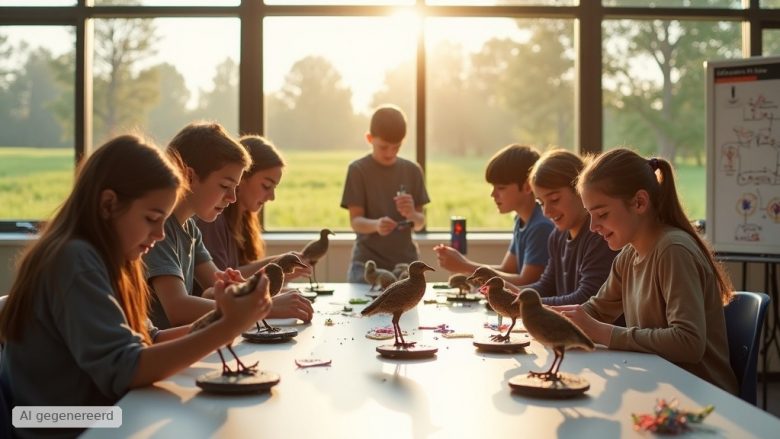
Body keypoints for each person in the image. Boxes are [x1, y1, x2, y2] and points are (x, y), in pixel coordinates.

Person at [0, 136, 272, 438]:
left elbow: (150, 339)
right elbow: (126, 369)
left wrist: (222, 316)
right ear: (109, 204)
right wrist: (226, 327)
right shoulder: (74, 260)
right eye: (152, 218)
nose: (159, 234)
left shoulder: (110, 259)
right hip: (58, 424)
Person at [557, 148, 738, 394]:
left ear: (639, 202)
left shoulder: (673, 250)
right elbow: (596, 311)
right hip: (660, 384)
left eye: (602, 214)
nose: (593, 226)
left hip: (700, 396)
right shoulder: (628, 256)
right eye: (590, 215)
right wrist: (548, 320)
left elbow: (689, 342)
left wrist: (604, 333)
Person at [143, 121, 252, 329]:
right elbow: (178, 309)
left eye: (235, 188)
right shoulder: (159, 229)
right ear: (189, 176)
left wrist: (239, 291)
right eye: (225, 185)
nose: (232, 198)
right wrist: (261, 307)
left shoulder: (191, 229)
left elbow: (215, 283)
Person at [197, 135, 313, 323]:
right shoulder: (212, 220)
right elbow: (223, 283)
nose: (272, 197)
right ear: (242, 178)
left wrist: (277, 273)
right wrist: (276, 266)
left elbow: (237, 280)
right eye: (266, 186)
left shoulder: (244, 222)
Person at [509, 149, 618, 305]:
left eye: (554, 199)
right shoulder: (557, 237)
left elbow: (586, 298)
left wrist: (527, 305)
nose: (546, 212)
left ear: (580, 191)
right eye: (541, 203)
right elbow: (546, 286)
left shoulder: (599, 235)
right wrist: (508, 295)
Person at [434, 144, 554, 286]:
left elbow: (525, 283)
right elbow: (508, 270)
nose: (493, 194)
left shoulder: (541, 227)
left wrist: (464, 266)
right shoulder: (521, 220)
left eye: (501, 188)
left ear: (528, 186)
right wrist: (464, 265)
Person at [341, 104, 430, 283]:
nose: (390, 153)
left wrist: (412, 214)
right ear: (369, 138)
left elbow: (420, 223)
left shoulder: (413, 170)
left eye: (396, 147)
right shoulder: (358, 170)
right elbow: (355, 221)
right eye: (383, 147)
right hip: (367, 268)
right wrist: (376, 225)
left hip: (406, 267)